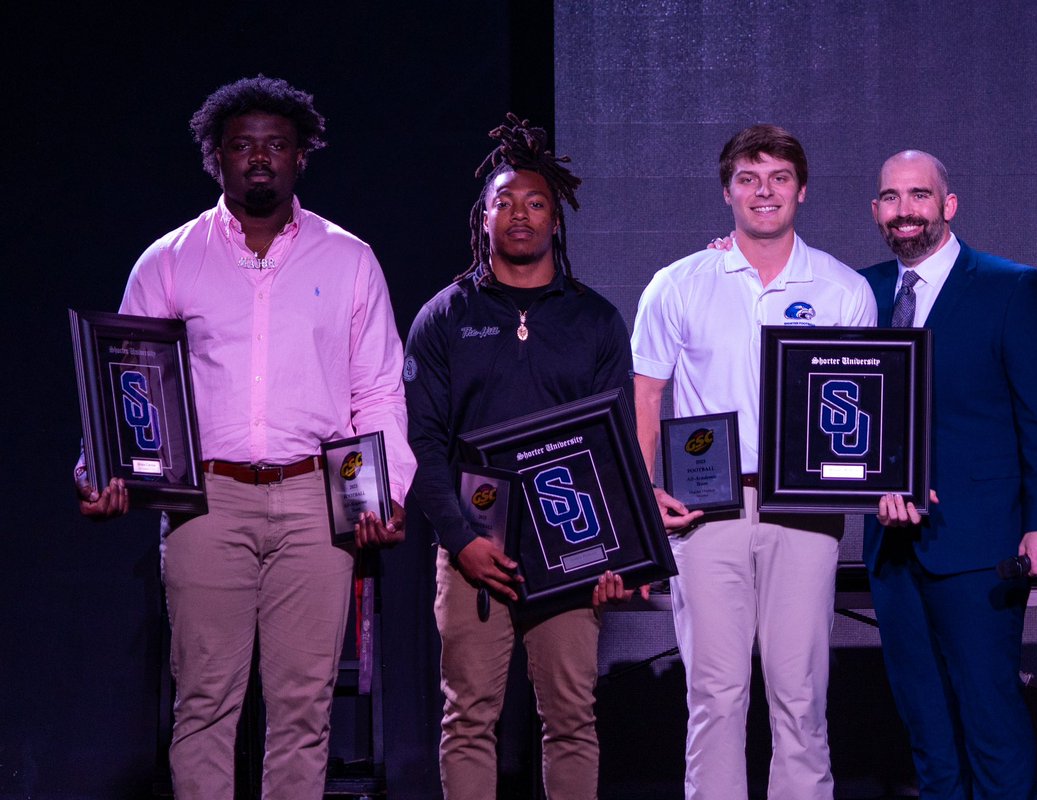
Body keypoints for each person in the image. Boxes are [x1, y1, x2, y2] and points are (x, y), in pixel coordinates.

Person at [75, 76, 415, 800]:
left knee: (303, 709)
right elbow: (128, 384)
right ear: (217, 158)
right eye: (243, 146)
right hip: (207, 503)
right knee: (203, 705)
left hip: (314, 503)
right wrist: (100, 467)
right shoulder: (169, 259)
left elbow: (379, 388)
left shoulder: (349, 258)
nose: (260, 158)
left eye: (276, 145)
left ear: (301, 156)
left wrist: (384, 493)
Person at [631, 124, 876, 800]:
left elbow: (863, 400)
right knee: (716, 691)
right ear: (727, 192)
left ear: (802, 189)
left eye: (777, 178)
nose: (763, 191)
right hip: (706, 512)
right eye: (748, 178)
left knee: (800, 693)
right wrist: (644, 491)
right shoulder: (679, 284)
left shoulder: (843, 288)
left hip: (806, 510)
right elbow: (646, 394)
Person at [403, 114, 637, 800]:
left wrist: (610, 551)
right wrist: (461, 540)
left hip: (570, 546)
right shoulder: (445, 316)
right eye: (504, 202)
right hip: (475, 544)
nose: (520, 215)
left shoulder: (594, 319)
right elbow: (423, 441)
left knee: (570, 719)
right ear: (483, 218)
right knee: (468, 719)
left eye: (536, 203)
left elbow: (614, 442)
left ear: (556, 220)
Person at [862, 150, 1037, 800]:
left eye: (919, 195)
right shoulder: (857, 291)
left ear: (948, 206)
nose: (905, 210)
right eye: (891, 198)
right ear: (876, 210)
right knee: (926, 734)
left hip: (980, 548)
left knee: (992, 724)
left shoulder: (1010, 287)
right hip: (892, 551)